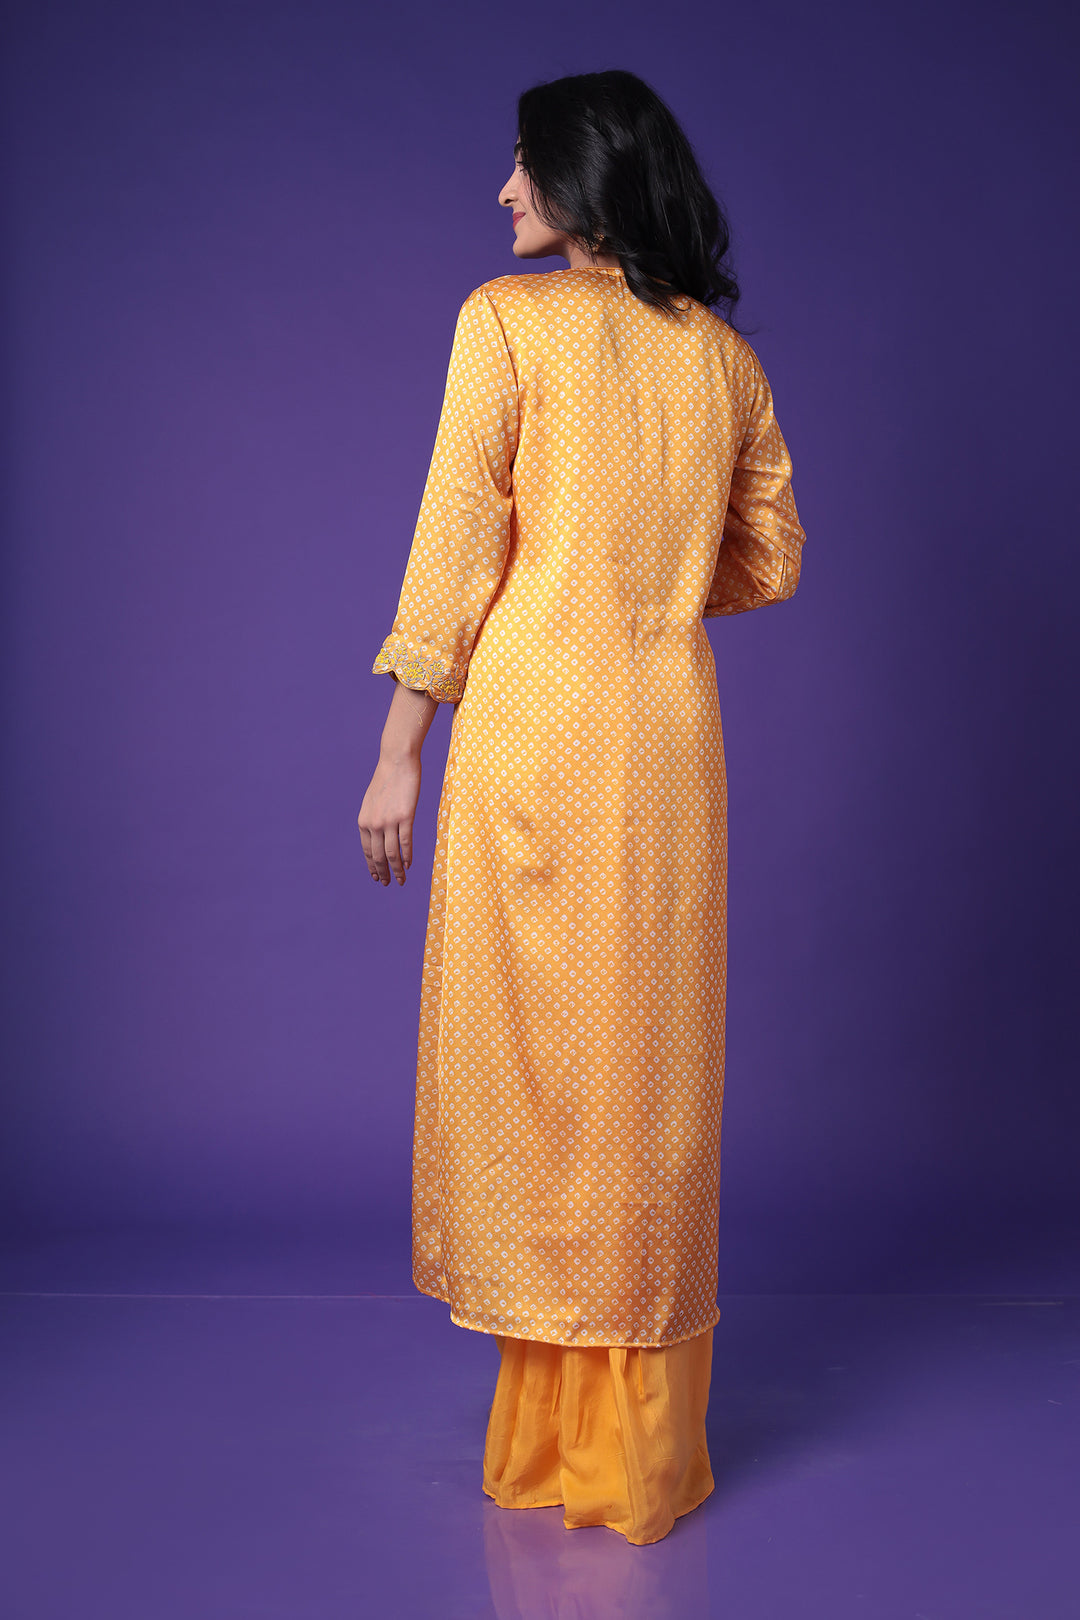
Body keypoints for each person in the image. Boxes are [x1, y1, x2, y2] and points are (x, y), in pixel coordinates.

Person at [358, 69, 806, 1546]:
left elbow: (454, 543)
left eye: (523, 168)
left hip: (531, 731)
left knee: (531, 1069)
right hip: (665, 740)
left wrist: (400, 748)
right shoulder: (723, 360)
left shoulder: (505, 324)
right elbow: (773, 555)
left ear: (582, 178)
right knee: (647, 1077)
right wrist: (650, 589)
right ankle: (639, 1455)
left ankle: (548, 1441)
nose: (502, 194)